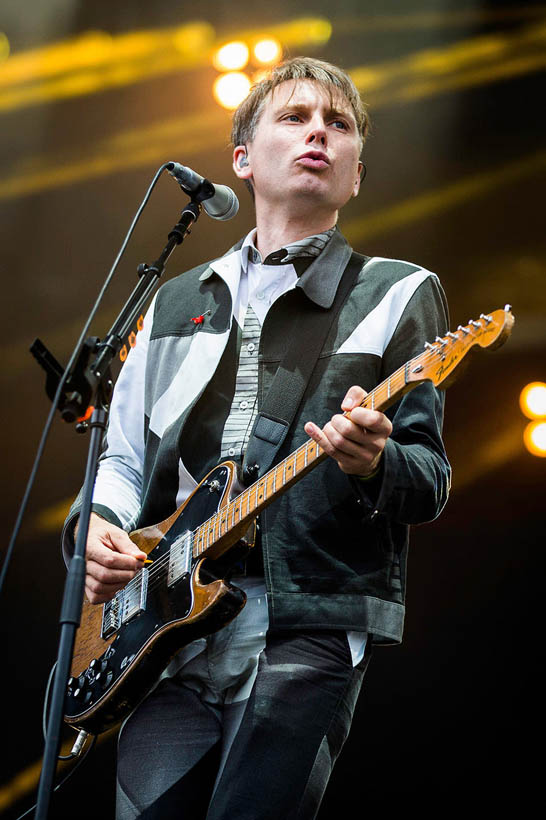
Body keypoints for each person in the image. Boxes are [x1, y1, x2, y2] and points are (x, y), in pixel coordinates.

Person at [63, 57, 451, 819]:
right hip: (159, 626)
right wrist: (97, 529)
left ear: (356, 174)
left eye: (338, 125)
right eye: (296, 117)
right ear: (242, 160)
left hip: (303, 621)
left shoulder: (398, 291)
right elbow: (123, 457)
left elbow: (428, 477)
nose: (319, 133)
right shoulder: (177, 301)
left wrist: (374, 463)